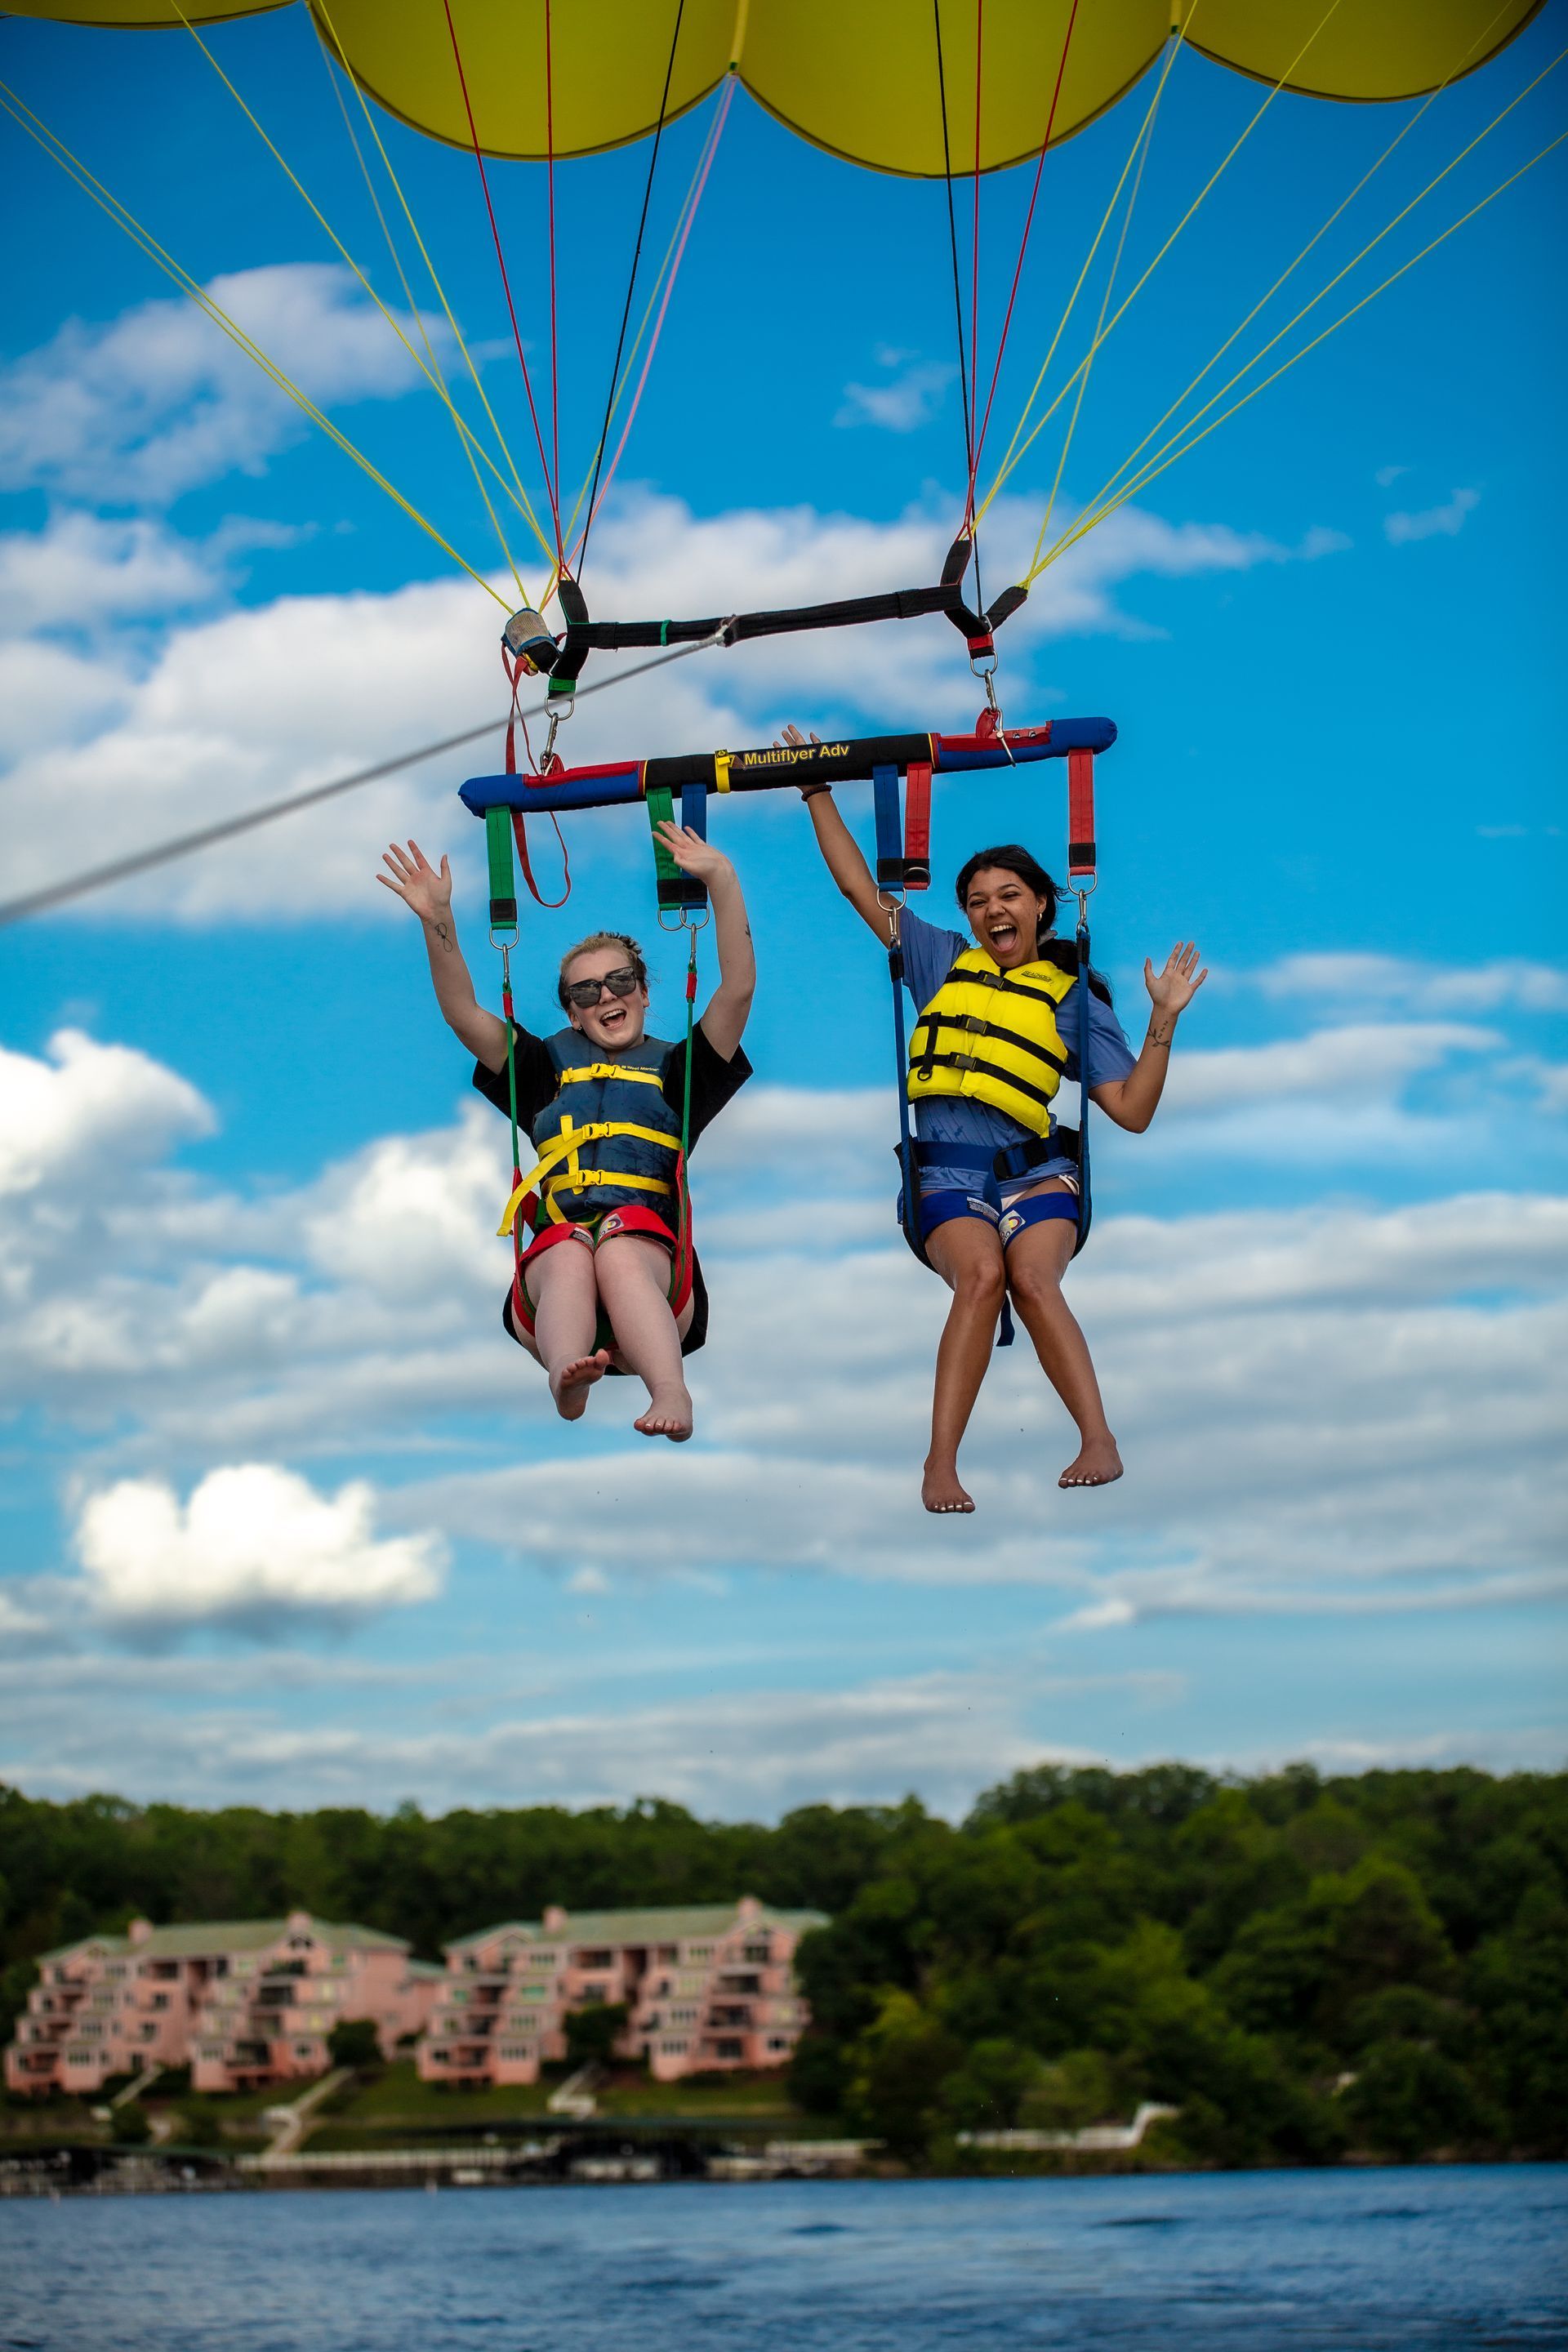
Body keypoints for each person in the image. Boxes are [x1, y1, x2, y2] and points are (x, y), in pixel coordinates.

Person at [790, 729, 1205, 1512]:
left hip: (1037, 1172)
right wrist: (816, 789)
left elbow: (1133, 1112)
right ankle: (940, 1463)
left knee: (1032, 1277)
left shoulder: (1074, 996)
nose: (991, 910)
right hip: (945, 1173)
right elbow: (858, 889)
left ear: (1043, 904)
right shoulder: (942, 961)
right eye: (978, 901)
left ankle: (1099, 1439)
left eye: (1008, 895)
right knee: (981, 1276)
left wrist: (1163, 1022)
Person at [378, 824, 754, 1441]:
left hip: (660, 1280)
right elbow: (463, 1014)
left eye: (620, 981)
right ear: (572, 1013)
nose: (606, 994)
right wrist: (437, 919)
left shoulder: (682, 1073)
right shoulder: (542, 1069)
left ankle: (670, 1389)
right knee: (570, 1247)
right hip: (552, 1289)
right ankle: (565, 1377)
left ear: (644, 989)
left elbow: (736, 990)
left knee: (619, 1241)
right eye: (586, 991)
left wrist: (723, 882)